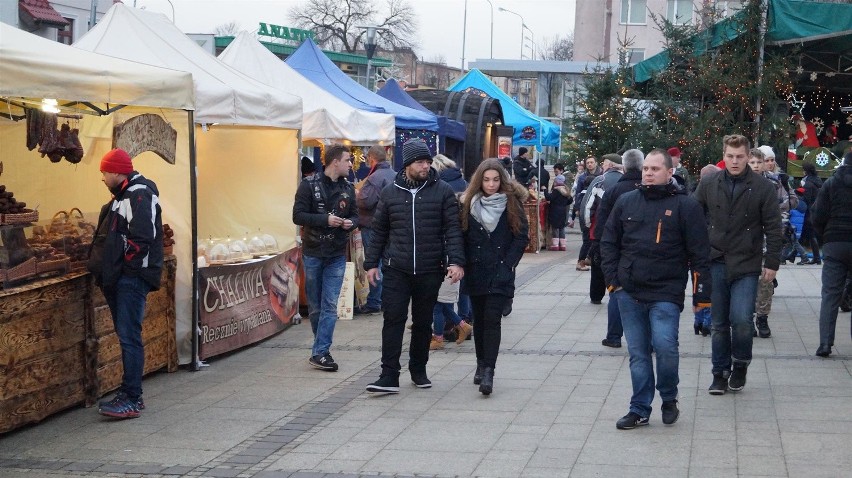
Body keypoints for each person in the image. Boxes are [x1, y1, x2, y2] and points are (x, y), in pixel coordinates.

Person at [602, 148, 711, 429]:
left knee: (665, 347)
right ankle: (639, 408)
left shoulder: (686, 206)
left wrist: (702, 295)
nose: (648, 173)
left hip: (666, 291)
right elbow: (609, 241)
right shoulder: (627, 201)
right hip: (629, 291)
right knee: (638, 354)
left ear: (669, 172)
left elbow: (699, 253)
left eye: (655, 169)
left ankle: (669, 396)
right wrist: (614, 282)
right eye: (646, 169)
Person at [363, 138, 465, 394]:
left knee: (422, 323)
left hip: (430, 268)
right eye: (420, 161)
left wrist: (455, 261)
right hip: (397, 267)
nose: (425, 166)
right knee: (393, 320)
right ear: (408, 164)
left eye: (428, 161)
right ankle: (389, 375)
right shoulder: (389, 192)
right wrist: (371, 263)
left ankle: (418, 369)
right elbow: (379, 231)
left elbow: (452, 229)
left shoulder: (441, 191)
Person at [694, 134, 782, 395]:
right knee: (719, 322)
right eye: (730, 156)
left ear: (748, 157)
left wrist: (773, 261)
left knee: (742, 319)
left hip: (747, 261)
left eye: (740, 157)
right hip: (716, 259)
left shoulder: (762, 187)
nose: (735, 161)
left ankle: (740, 364)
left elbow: (774, 227)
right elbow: (693, 215)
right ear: (723, 155)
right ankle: (719, 372)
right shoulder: (709, 183)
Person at [89, 148, 163, 419]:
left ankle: (132, 397)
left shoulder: (138, 194)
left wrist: (126, 270)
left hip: (131, 278)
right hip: (122, 276)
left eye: (104, 173)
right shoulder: (124, 195)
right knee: (127, 335)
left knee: (129, 336)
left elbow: (143, 239)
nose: (103, 178)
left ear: (116, 171)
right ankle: (130, 393)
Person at [459, 158, 529, 395]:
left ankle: (489, 370)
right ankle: (480, 363)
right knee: (479, 320)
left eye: (496, 180)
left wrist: (508, 263)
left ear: (502, 180)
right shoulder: (469, 202)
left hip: (499, 271)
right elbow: (462, 234)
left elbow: (521, 236)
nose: (491, 184)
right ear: (480, 180)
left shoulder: (512, 203)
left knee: (492, 320)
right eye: (487, 180)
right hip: (476, 270)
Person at [293, 145, 358, 372]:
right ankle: (319, 347)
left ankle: (321, 352)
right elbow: (297, 215)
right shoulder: (308, 185)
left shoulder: (348, 188)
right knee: (315, 307)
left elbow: (355, 214)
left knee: (330, 304)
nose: (351, 164)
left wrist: (351, 223)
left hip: (336, 254)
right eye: (348, 160)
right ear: (335, 162)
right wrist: (325, 220)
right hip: (313, 252)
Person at [590, 148, 644, 348]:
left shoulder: (613, 191)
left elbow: (602, 221)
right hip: (644, 249)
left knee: (617, 291)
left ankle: (614, 336)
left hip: (618, 248)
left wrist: (599, 246)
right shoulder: (647, 187)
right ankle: (646, 340)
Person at [752, 146, 798, 338]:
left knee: (765, 283)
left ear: (765, 164)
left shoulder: (773, 183)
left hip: (766, 241)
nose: (755, 166)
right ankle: (747, 316)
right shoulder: (737, 183)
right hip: (743, 244)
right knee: (746, 282)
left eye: (758, 162)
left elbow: (784, 207)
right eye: (751, 162)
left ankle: (762, 317)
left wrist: (777, 232)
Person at [811, 151, 852, 357]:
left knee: (830, 294)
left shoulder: (831, 183)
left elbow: (818, 215)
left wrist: (825, 238)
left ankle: (825, 343)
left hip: (835, 243)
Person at [429, 153, 471, 349]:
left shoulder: (442, 188)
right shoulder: (462, 181)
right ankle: (462, 322)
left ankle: (445, 332)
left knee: (440, 300)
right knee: (459, 292)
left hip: (446, 251)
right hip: (461, 246)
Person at [355, 145, 395, 315]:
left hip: (373, 226)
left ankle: (374, 302)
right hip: (392, 225)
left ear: (371, 158)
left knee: (375, 262)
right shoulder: (394, 175)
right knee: (388, 262)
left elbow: (365, 202)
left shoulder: (375, 178)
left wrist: (357, 194)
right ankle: (387, 300)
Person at [582, 153, 624, 304]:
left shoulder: (600, 181)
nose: (603, 166)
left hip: (601, 231)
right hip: (624, 231)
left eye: (605, 163)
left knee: (598, 264)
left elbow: (588, 207)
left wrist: (588, 227)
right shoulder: (626, 180)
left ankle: (596, 296)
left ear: (611, 165)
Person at [799, 162, 823, 265]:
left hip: (809, 212)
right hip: (817, 210)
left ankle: (813, 257)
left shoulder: (808, 184)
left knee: (808, 235)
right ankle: (816, 258)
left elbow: (806, 199)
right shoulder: (818, 181)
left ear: (806, 171)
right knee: (811, 234)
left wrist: (799, 194)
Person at [545, 174, 573, 251]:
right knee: (561, 228)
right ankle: (563, 245)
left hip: (555, 211)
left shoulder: (556, 191)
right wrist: (564, 204)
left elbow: (548, 197)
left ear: (556, 182)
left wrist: (545, 190)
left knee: (555, 228)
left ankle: (556, 245)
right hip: (563, 211)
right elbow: (570, 200)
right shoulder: (565, 190)